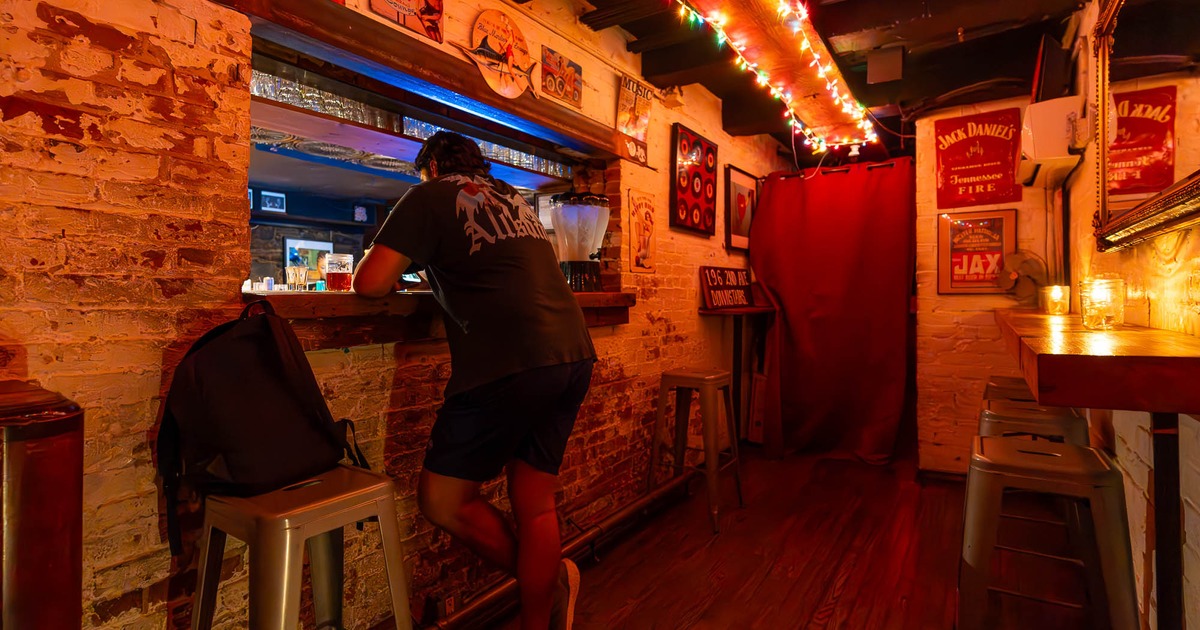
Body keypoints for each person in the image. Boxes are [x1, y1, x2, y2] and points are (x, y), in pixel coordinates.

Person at [353, 131, 595, 630]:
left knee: (443, 500)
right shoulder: (518, 201)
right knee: (535, 504)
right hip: (572, 352)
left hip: (508, 359)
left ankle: (546, 583)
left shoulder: (429, 193)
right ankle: (545, 606)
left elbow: (370, 282)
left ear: (432, 168)